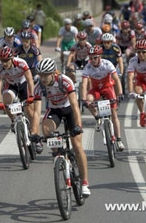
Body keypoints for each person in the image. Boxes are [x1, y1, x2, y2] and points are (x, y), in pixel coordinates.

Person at [33, 58, 91, 197]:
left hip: (69, 109)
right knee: (46, 130)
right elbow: (36, 112)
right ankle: (60, 155)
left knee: (77, 146)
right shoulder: (39, 86)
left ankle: (84, 183)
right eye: (40, 75)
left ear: (53, 73)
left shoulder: (64, 81)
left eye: (46, 74)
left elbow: (75, 105)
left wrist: (78, 125)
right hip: (54, 111)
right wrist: (34, 132)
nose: (43, 78)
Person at [81, 45, 125, 151]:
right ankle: (97, 117)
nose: (93, 60)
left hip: (108, 88)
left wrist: (120, 94)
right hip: (96, 89)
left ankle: (119, 139)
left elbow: (116, 79)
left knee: (114, 113)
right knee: (88, 99)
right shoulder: (88, 67)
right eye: (91, 58)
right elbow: (84, 84)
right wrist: (83, 100)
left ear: (100, 57)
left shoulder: (107, 64)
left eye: (95, 58)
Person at [0, 46, 35, 133]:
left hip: (23, 84)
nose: (4, 63)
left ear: (11, 58)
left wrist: (31, 95)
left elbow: (30, 79)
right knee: (6, 100)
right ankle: (13, 120)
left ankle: (34, 132)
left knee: (30, 111)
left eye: (6, 60)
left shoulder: (21, 63)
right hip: (11, 85)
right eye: (2, 61)